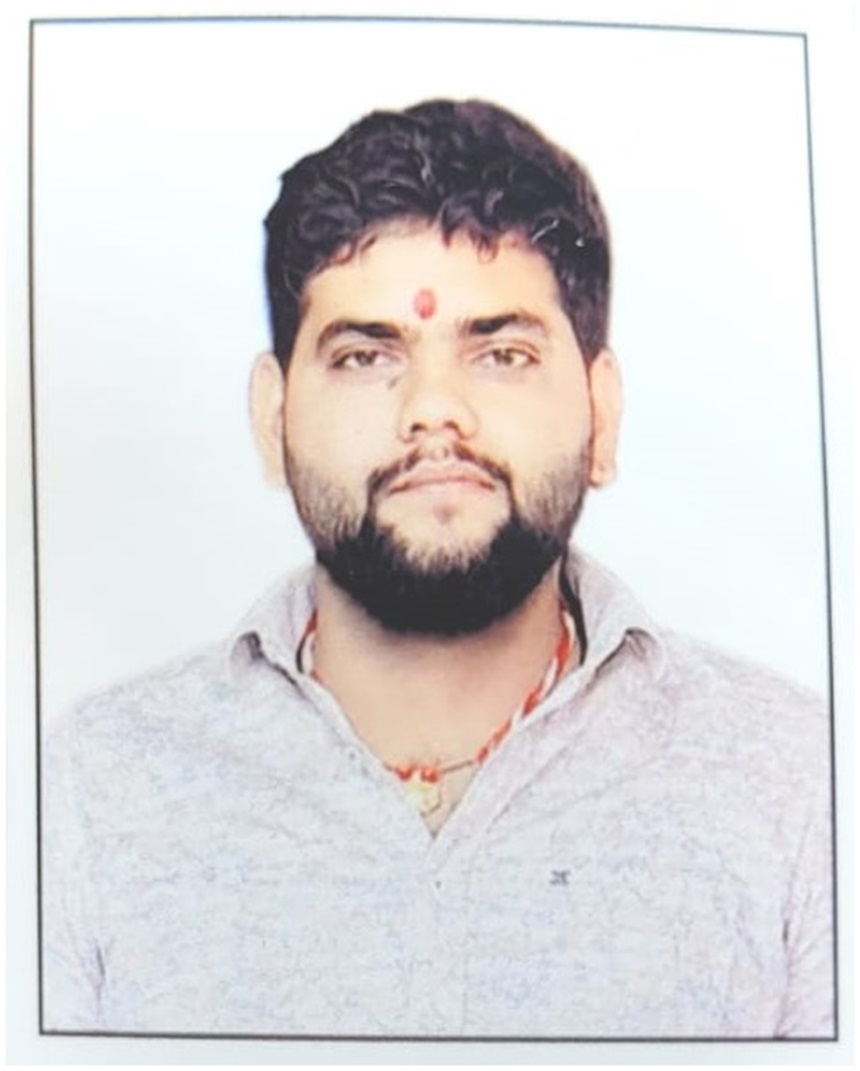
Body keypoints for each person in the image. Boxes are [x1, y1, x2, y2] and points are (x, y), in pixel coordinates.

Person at [42, 99, 834, 1039]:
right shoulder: (83, 797)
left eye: (502, 352)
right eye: (365, 355)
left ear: (602, 413)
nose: (433, 408)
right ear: (272, 417)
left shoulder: (802, 788)